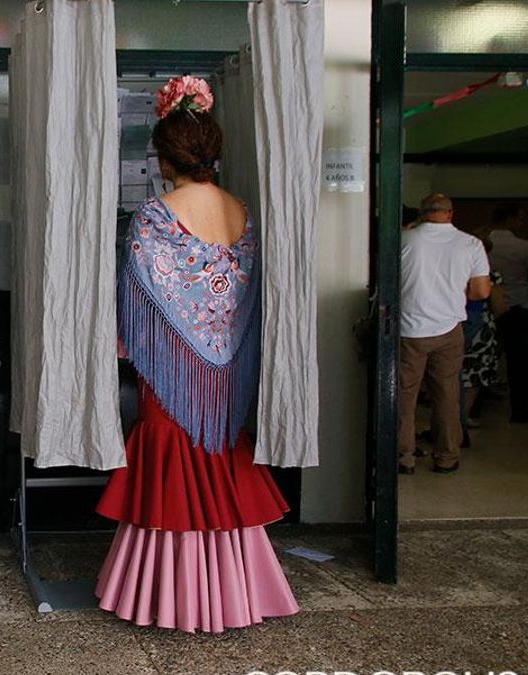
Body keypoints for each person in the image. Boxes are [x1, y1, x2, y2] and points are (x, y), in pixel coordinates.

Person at [94, 76, 297, 633]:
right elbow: (245, 295)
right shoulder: (242, 212)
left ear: (165, 158)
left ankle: (168, 594)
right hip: (228, 365)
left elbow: (137, 298)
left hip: (171, 368)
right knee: (219, 461)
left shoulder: (156, 216)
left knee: (170, 464)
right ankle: (233, 591)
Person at [398, 194, 491, 475]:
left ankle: (404, 457)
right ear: (450, 213)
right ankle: (446, 456)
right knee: (446, 394)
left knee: (405, 395)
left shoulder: (404, 240)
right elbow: (481, 292)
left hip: (409, 329)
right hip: (449, 329)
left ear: (422, 213)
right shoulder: (470, 244)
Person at [486, 203, 528, 422]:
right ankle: (519, 408)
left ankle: (476, 404)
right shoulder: (523, 247)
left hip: (488, 307)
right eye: (519, 218)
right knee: (518, 361)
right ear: (509, 219)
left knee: (486, 356)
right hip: (517, 308)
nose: (521, 223)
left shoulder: (481, 243)